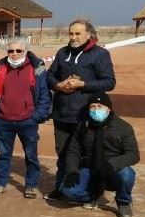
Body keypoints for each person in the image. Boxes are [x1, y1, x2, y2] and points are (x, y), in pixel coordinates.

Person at [45, 19, 116, 201]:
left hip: (85, 115)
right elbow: (50, 75)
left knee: (86, 154)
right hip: (62, 113)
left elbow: (109, 82)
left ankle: (92, 190)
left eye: (77, 33)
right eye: (71, 33)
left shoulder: (100, 54)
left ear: (88, 34)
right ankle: (61, 187)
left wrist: (82, 84)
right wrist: (58, 85)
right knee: (62, 153)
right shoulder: (62, 53)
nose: (74, 37)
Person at [0, 41, 52, 198]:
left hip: (27, 121)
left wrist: (36, 117)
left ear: (25, 51)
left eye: (18, 50)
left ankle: (31, 184)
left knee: (31, 155)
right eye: (11, 50)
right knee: (3, 154)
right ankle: (1, 182)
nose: (14, 53)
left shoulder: (37, 68)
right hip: (4, 120)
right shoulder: (2, 68)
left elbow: (44, 95)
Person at [61, 93, 139, 217]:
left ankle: (124, 201)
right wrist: (72, 170)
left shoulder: (123, 127)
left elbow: (133, 154)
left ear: (108, 109)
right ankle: (93, 196)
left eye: (100, 106)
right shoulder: (83, 125)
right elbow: (74, 150)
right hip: (89, 167)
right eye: (93, 106)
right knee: (69, 191)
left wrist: (112, 164)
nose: (96, 109)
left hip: (112, 168)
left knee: (127, 174)